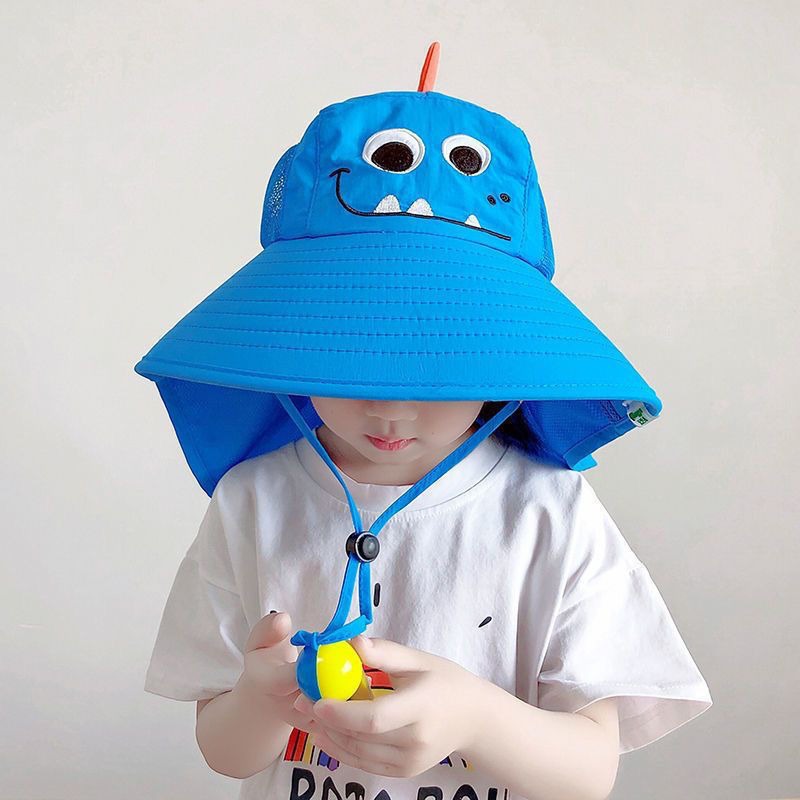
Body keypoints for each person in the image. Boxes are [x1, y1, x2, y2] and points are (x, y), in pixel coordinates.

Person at [135, 43, 712, 800]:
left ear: (504, 354)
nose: (390, 407)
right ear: (289, 339)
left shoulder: (548, 511)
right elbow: (225, 751)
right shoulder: (252, 499)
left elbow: (589, 771)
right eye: (346, 356)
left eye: (441, 362)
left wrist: (477, 717)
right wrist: (260, 698)